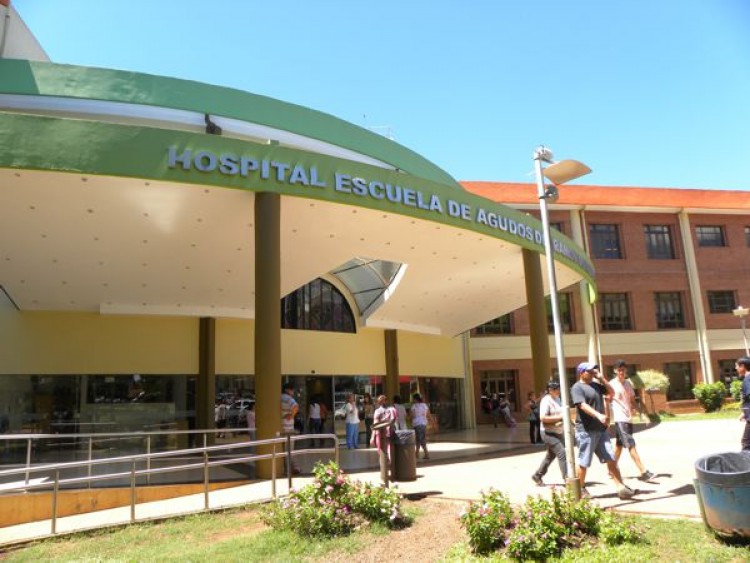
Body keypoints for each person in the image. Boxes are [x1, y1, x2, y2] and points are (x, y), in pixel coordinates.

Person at [571, 362, 635, 500]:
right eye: (589, 371)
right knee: (584, 461)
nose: (592, 373)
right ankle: (580, 489)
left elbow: (612, 392)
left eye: (593, 371)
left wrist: (601, 378)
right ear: (581, 373)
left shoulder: (596, 385)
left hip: (601, 430)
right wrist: (598, 415)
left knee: (610, 458)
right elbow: (582, 405)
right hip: (586, 430)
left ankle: (621, 488)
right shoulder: (577, 387)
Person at [609, 359, 654, 481]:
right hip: (620, 419)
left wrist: (642, 414)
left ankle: (611, 469)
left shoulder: (628, 384)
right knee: (631, 445)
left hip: (628, 418)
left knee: (619, 445)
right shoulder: (611, 384)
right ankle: (643, 471)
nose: (621, 372)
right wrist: (606, 418)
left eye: (623, 370)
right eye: (619, 370)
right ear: (615, 371)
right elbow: (606, 400)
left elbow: (633, 401)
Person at [532, 381, 568, 486]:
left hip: (557, 431)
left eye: (558, 388)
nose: (558, 391)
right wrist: (560, 417)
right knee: (562, 453)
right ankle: (567, 479)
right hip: (548, 433)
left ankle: (537, 475)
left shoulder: (558, 399)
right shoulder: (546, 401)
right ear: (550, 390)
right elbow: (543, 418)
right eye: (556, 389)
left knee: (550, 456)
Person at [371, 395, 396, 485]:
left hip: (380, 434)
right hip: (390, 433)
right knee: (390, 452)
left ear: (378, 402)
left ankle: (384, 474)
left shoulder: (377, 411)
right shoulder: (391, 410)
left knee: (381, 453)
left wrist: (372, 437)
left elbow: (375, 424)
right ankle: (391, 473)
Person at [281, 383, 301, 474]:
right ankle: (291, 468)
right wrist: (291, 415)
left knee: (284, 449)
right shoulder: (287, 398)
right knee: (289, 449)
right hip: (288, 427)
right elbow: (295, 406)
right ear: (287, 390)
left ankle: (289, 468)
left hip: (281, 426)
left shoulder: (279, 397)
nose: (293, 392)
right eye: (292, 390)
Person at [410, 393, 430, 460]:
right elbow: (428, 414)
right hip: (423, 423)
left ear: (415, 399)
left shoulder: (414, 406)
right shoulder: (424, 405)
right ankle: (417, 454)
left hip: (417, 423)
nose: (413, 400)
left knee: (420, 439)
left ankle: (426, 453)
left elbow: (413, 416)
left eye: (413, 399)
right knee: (419, 439)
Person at [736, 356, 750, 451]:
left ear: (743, 366)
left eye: (737, 366)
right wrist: (745, 412)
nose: (736, 368)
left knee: (746, 443)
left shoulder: (748, 379)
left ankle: (745, 460)